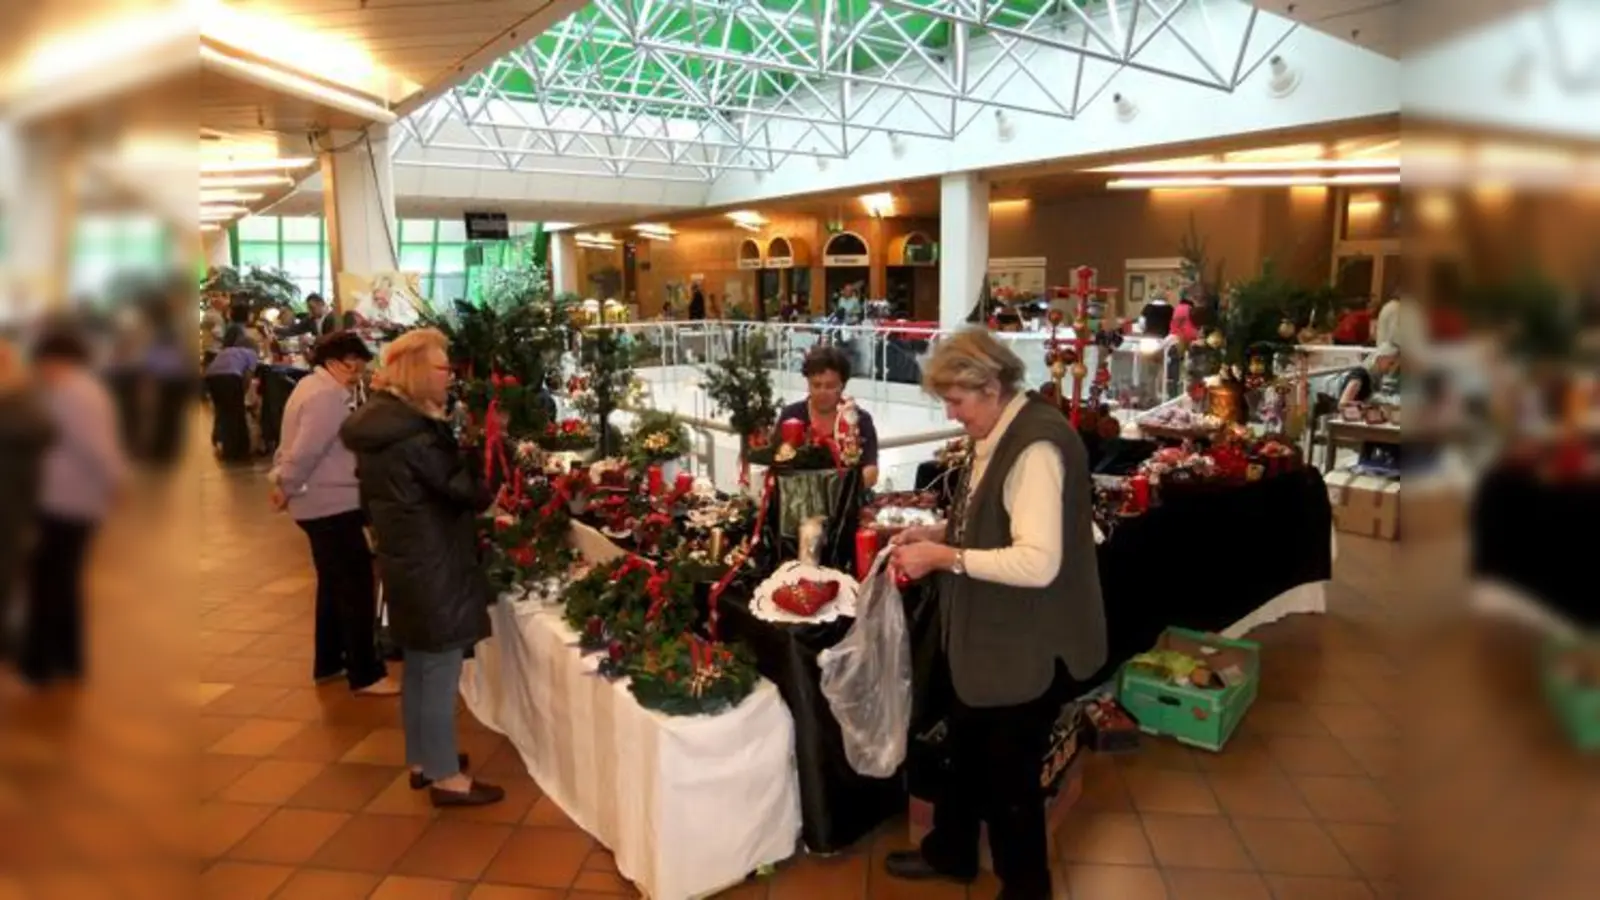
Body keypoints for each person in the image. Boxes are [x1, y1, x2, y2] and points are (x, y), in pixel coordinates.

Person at [884, 327, 1106, 900]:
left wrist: (944, 557)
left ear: (990, 387)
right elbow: (993, 517)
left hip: (1027, 643)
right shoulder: (1002, 429)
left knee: (1011, 780)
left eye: (956, 401)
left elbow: (1037, 562)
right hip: (991, 635)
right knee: (965, 747)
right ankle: (953, 850)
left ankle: (1026, 888)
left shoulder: (1035, 449)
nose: (952, 414)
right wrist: (941, 531)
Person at [340, 328, 503, 807]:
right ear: (416, 372)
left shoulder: (381, 424)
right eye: (443, 368)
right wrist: (485, 449)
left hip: (406, 557)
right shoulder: (415, 434)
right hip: (434, 562)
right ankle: (446, 776)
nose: (449, 376)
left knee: (418, 666)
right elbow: (468, 491)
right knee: (439, 671)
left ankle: (424, 759)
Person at [271, 331, 398, 696]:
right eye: (351, 366)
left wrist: (286, 484)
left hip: (319, 501)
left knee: (333, 585)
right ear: (332, 362)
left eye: (361, 366)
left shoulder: (311, 387)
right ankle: (365, 673)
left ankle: (330, 662)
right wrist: (285, 485)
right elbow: (305, 452)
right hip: (330, 503)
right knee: (355, 588)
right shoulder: (325, 396)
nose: (357, 374)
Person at [22, 325, 127, 687]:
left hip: (67, 501)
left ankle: (43, 663)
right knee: (61, 581)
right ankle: (66, 659)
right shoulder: (76, 391)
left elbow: (97, 448)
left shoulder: (75, 394)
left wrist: (116, 481)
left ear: (57, 360)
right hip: (67, 498)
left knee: (50, 581)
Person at [0, 339, 55, 693]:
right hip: (14, 504)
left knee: (8, 575)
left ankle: (16, 647)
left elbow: (43, 432)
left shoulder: (21, 406)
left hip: (11, 506)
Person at [776, 344, 880, 488]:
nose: (822, 392)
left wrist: (839, 490)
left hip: (847, 499)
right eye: (816, 385)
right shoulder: (791, 415)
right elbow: (776, 463)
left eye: (830, 386)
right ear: (808, 383)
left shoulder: (859, 419)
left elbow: (871, 472)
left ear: (842, 386)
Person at [205, 328, 260, 460]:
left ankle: (221, 441)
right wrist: (242, 394)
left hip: (211, 377)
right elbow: (248, 377)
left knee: (222, 411)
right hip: (229, 377)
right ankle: (236, 451)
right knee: (236, 415)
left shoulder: (227, 351)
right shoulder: (251, 354)